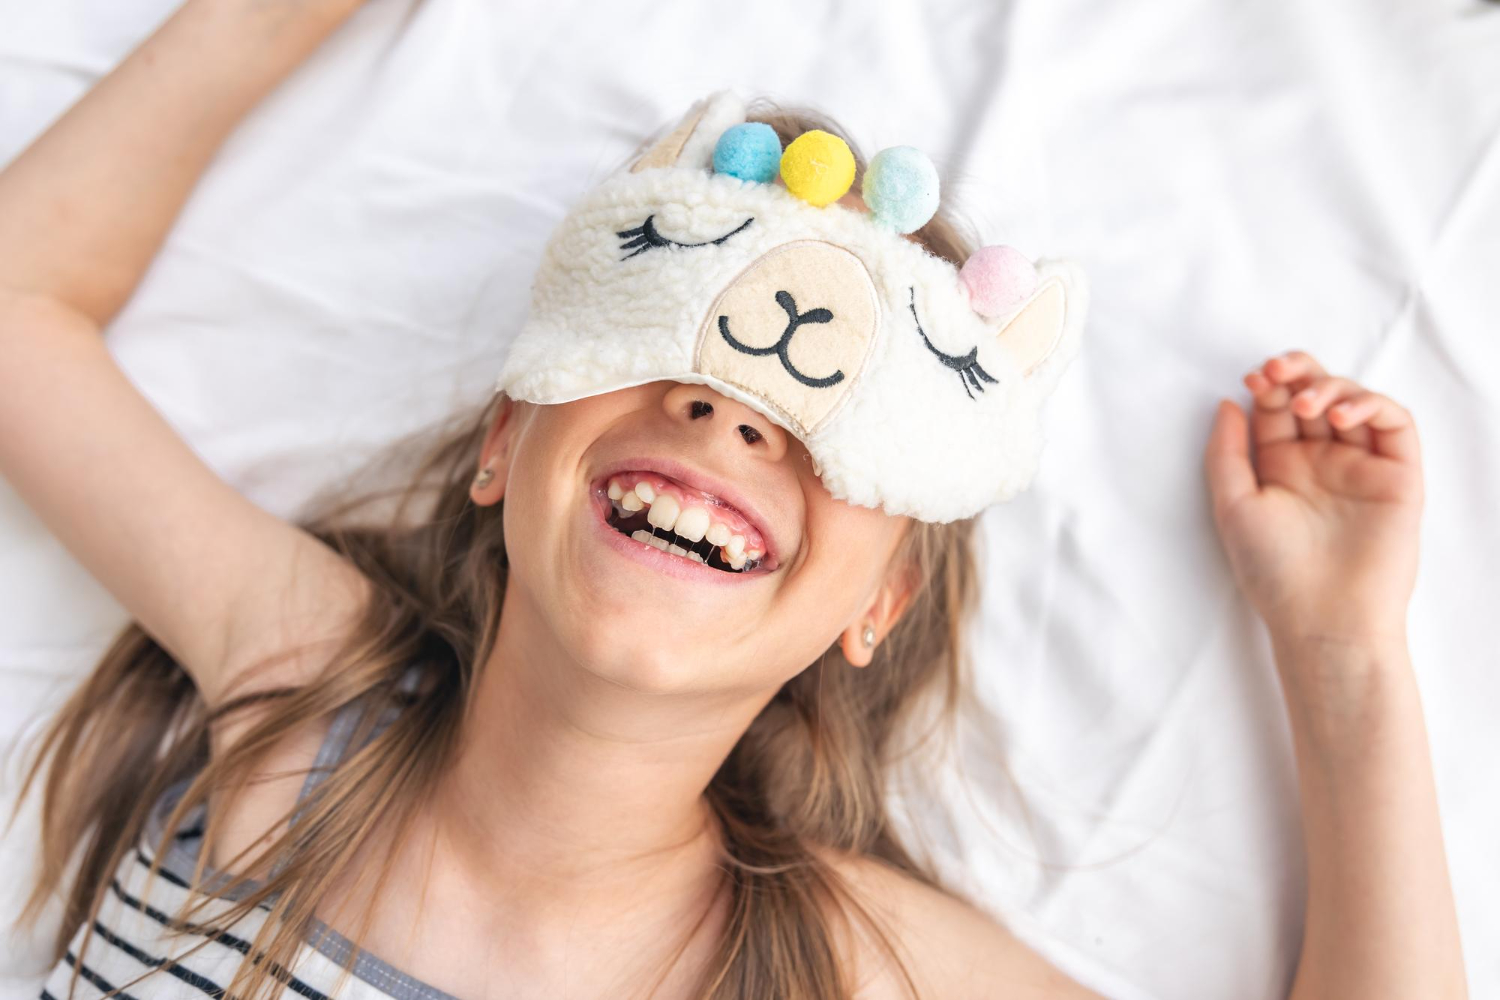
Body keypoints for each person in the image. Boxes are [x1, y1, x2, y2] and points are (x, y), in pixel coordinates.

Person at [0, 1, 1465, 998]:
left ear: (879, 604)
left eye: (829, 415)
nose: (728, 403)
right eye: (669, 343)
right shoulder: (306, 698)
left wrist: (1341, 655)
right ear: (503, 443)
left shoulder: (838, 959)